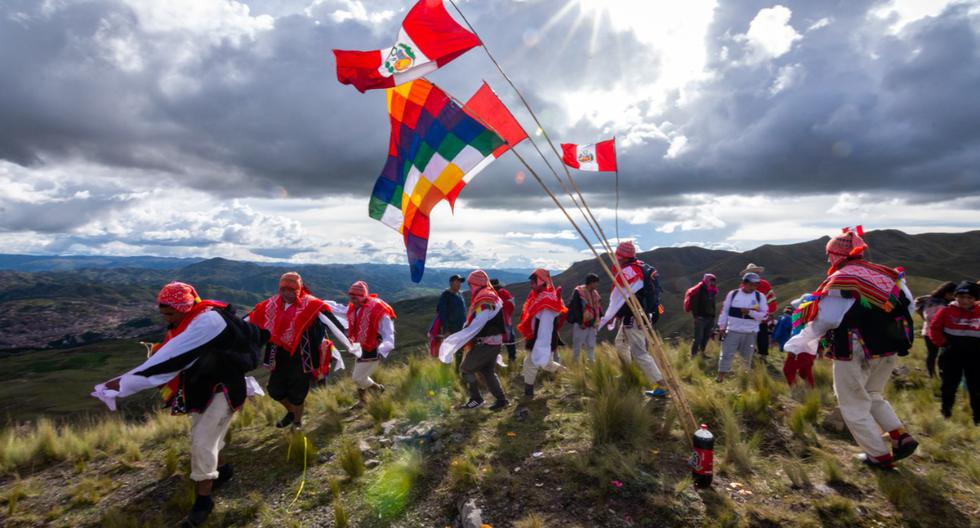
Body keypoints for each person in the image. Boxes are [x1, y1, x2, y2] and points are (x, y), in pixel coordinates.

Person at [92, 282, 269, 527]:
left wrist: (123, 383)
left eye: (169, 313)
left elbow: (171, 358)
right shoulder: (188, 322)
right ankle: (223, 470)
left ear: (184, 307)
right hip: (202, 389)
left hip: (223, 388)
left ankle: (204, 502)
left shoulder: (208, 322)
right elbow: (175, 352)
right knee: (206, 437)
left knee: (202, 441)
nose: (165, 318)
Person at [785, 226, 918, 469]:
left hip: (855, 348)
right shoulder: (886, 274)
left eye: (829, 254)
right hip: (888, 347)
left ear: (836, 254)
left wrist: (798, 342)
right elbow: (908, 307)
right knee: (873, 394)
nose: (828, 259)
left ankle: (878, 456)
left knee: (852, 404)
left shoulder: (841, 279)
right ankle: (900, 436)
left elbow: (826, 320)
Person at [248, 272, 351, 429]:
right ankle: (291, 412)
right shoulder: (271, 305)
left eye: (291, 290)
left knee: (297, 395)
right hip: (279, 356)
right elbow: (251, 318)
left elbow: (333, 324)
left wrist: (350, 344)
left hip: (302, 358)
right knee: (274, 390)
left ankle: (297, 421)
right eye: (283, 289)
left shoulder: (312, 305)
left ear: (299, 289)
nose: (286, 293)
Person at [597, 241, 669, 398]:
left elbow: (620, 299)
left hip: (635, 317)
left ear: (621, 257)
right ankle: (629, 372)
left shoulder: (629, 272)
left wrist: (610, 316)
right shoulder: (642, 267)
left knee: (640, 353)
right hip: (641, 315)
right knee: (620, 343)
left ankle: (662, 385)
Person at [438, 270, 509, 410]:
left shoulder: (485, 300)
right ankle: (502, 400)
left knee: (465, 369)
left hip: (486, 343)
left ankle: (476, 399)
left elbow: (478, 324)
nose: (470, 288)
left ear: (477, 284)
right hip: (493, 342)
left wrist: (459, 337)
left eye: (471, 285)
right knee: (487, 371)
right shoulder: (491, 295)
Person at [928, 281, 980, 425]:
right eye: (961, 297)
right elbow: (934, 328)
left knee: (976, 388)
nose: (965, 301)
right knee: (948, 387)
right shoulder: (945, 311)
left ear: (975, 299)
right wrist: (943, 343)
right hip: (951, 356)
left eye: (969, 297)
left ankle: (977, 418)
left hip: (975, 358)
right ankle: (946, 413)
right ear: (955, 297)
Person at [517, 269, 567, 398]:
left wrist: (541, 346)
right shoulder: (542, 296)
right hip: (540, 337)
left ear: (541, 282)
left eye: (533, 282)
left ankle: (528, 394)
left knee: (532, 363)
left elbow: (546, 325)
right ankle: (566, 372)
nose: (531, 285)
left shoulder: (546, 299)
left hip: (543, 338)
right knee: (542, 364)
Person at [346, 281, 395, 405]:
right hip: (360, 347)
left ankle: (378, 388)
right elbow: (341, 310)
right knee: (359, 374)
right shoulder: (354, 308)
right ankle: (362, 401)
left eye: (356, 297)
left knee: (357, 377)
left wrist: (385, 345)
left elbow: (388, 330)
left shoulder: (377, 308)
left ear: (363, 296)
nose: (353, 300)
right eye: (351, 297)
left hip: (373, 348)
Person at [715, 273, 769, 382]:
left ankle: (744, 379)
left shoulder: (760, 297)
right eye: (751, 284)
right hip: (732, 330)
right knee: (726, 354)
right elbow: (725, 311)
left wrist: (750, 312)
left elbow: (764, 315)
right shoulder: (733, 294)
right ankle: (720, 376)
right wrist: (722, 327)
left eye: (756, 285)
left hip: (750, 332)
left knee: (747, 357)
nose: (753, 287)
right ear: (744, 283)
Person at [915, 281, 958, 378]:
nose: (953, 297)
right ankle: (931, 374)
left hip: (945, 332)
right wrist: (945, 316)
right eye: (952, 294)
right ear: (946, 293)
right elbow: (928, 316)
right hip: (930, 332)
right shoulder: (933, 302)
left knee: (943, 355)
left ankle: (943, 373)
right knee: (932, 354)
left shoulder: (948, 302)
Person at [741, 264, 777, 362]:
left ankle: (762, 355)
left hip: (760, 315)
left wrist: (769, 313)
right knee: (752, 335)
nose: (754, 273)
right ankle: (753, 353)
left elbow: (771, 299)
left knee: (762, 335)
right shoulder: (743, 285)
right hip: (749, 315)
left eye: (755, 272)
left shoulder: (765, 284)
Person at [567, 273, 603, 362]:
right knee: (577, 345)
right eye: (596, 282)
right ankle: (575, 365)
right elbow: (575, 307)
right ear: (591, 283)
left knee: (591, 345)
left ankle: (591, 362)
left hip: (592, 323)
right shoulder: (579, 292)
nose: (597, 284)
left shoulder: (595, 293)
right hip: (581, 324)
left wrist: (599, 319)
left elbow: (598, 307)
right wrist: (580, 322)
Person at [778, 307, 814, 387]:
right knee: (805, 371)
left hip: (799, 349)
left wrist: (793, 350)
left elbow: (799, 336)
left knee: (789, 369)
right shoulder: (814, 320)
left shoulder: (801, 321)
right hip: (810, 349)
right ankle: (811, 390)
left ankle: (795, 389)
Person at [686, 273, 718, 357]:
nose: (713, 283)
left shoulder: (712, 291)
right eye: (711, 280)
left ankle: (702, 353)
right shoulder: (699, 290)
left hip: (710, 317)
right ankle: (694, 355)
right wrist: (696, 316)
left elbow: (712, 304)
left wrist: (713, 315)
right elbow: (694, 304)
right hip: (701, 318)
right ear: (707, 280)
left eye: (714, 281)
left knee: (706, 337)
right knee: (698, 338)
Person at [492, 278, 518, 361]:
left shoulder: (489, 296)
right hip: (506, 323)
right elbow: (511, 306)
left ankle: (495, 364)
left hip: (495, 325)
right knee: (510, 343)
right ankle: (512, 361)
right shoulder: (505, 293)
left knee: (495, 346)